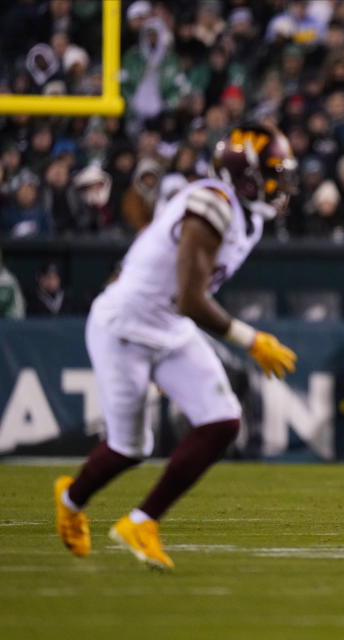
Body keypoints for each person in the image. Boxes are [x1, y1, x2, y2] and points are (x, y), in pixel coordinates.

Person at [54, 124, 299, 571]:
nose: (282, 185)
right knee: (129, 447)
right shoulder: (213, 202)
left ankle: (142, 522)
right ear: (245, 173)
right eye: (273, 173)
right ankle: (71, 501)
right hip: (125, 328)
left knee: (223, 421)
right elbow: (190, 297)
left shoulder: (250, 216)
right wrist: (252, 339)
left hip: (169, 324)